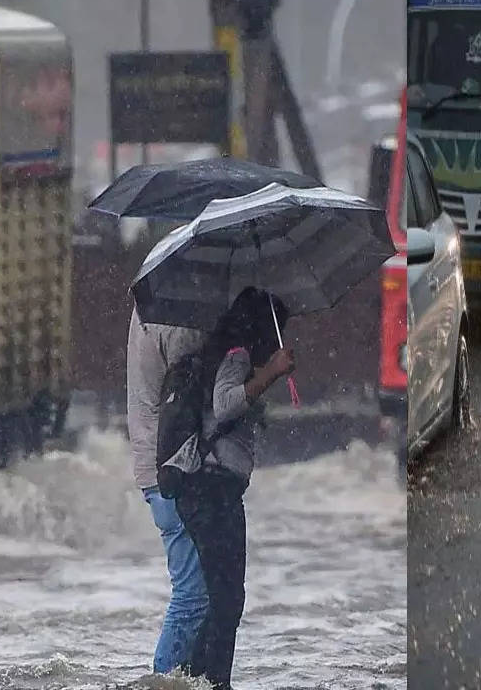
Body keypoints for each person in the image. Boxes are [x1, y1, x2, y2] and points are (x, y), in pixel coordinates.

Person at [177, 287, 295, 690]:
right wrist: (271, 372)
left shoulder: (228, 353)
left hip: (211, 491)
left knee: (224, 599)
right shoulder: (238, 354)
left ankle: (194, 680)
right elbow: (226, 404)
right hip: (212, 491)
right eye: (278, 330)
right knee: (227, 600)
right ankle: (208, 682)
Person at [126, 306, 209, 674]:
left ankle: (182, 678)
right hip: (168, 470)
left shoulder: (149, 308)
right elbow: (196, 373)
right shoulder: (172, 322)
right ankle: (163, 680)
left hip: (156, 466)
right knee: (192, 596)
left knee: (196, 594)